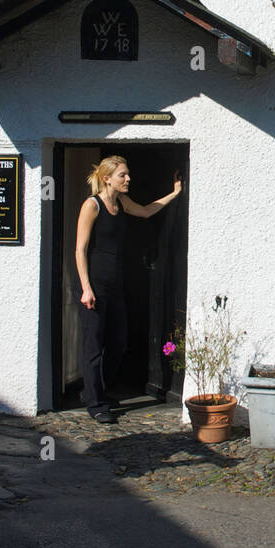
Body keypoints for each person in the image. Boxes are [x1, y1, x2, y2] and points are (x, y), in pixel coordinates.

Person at [75, 155, 182, 424]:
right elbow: (80, 249)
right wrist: (86, 288)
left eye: (128, 174)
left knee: (119, 342)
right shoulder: (93, 205)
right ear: (107, 178)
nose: (128, 179)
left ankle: (93, 390)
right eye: (123, 175)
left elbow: (146, 211)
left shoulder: (121, 203)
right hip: (95, 285)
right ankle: (96, 403)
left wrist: (175, 193)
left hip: (115, 284)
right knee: (93, 346)